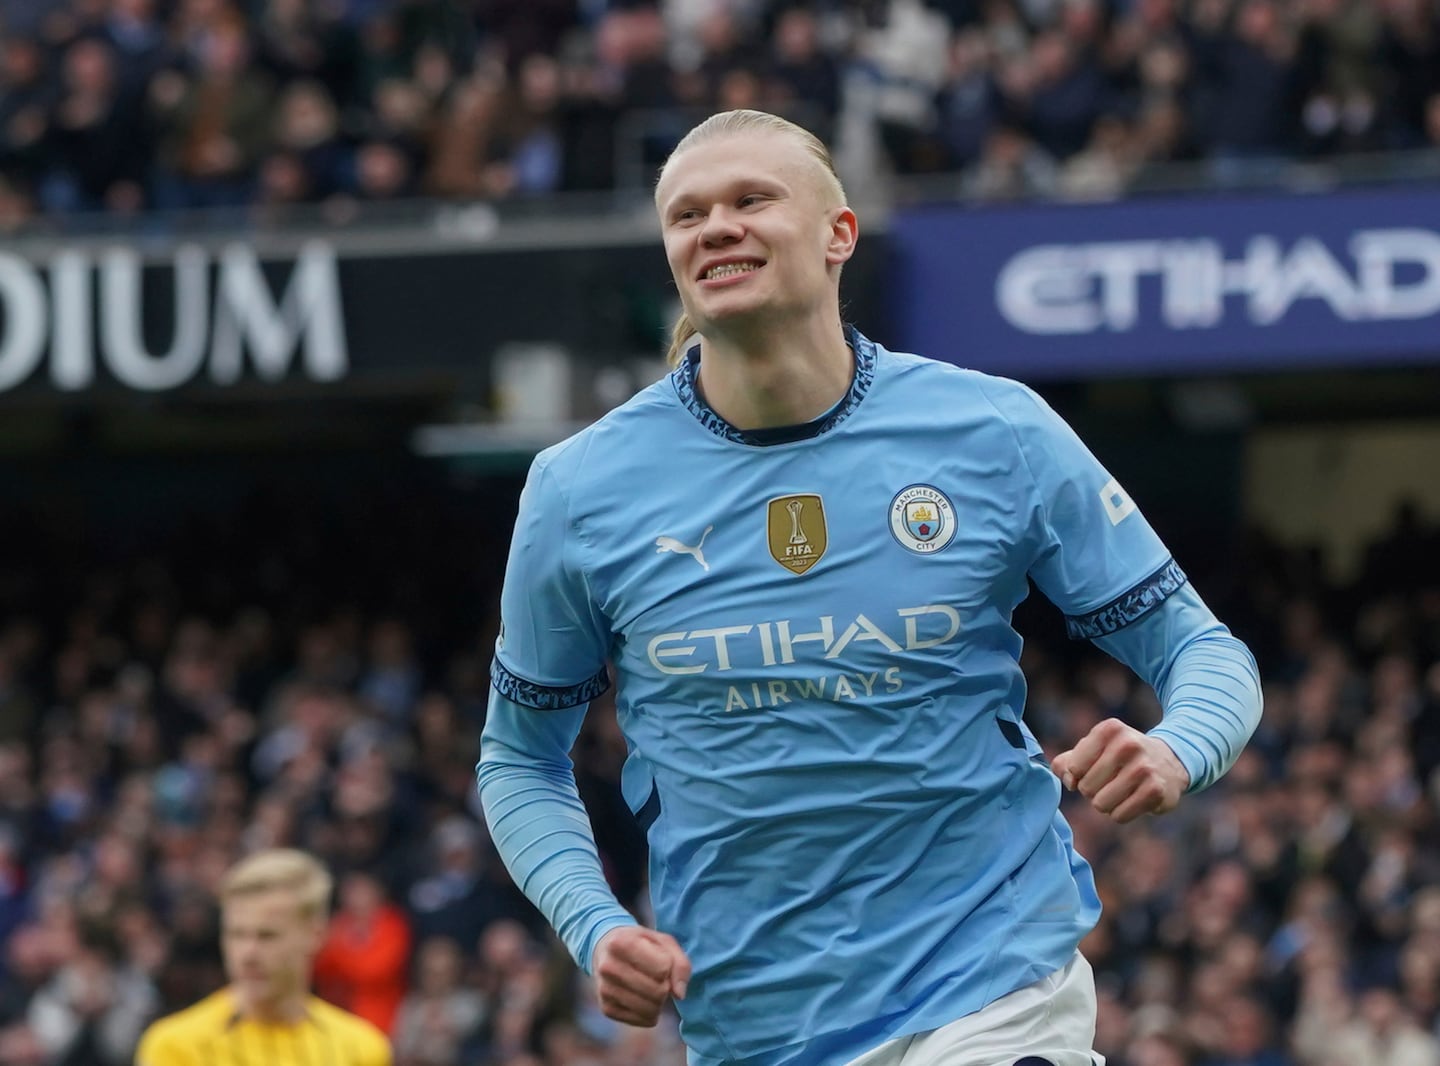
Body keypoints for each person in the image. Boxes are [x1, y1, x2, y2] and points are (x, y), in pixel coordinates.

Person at [477, 108, 1263, 1066]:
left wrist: (1178, 749)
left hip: (990, 984)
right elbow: (519, 758)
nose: (715, 226)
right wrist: (594, 924)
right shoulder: (580, 488)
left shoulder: (992, 431)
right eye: (687, 215)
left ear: (838, 235)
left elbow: (1202, 650)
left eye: (751, 201)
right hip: (755, 1024)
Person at [134, 849, 391, 1066]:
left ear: (315, 935)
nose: (248, 953)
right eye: (237, 934)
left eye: (267, 936)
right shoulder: (176, 1046)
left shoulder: (361, 1051)